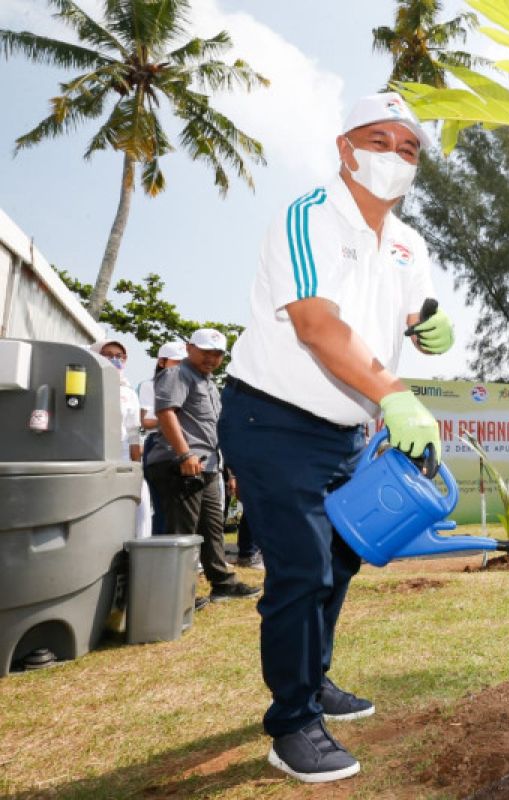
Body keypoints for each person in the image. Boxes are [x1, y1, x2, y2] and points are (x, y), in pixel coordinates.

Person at [217, 92, 454, 783]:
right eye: (378, 141)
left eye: (408, 148)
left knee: (340, 565)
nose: (394, 158)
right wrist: (396, 395)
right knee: (300, 570)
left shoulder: (411, 243)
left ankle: (313, 680)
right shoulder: (310, 217)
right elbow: (318, 326)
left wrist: (430, 332)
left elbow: (417, 317)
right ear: (345, 148)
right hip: (274, 418)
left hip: (348, 432)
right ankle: (291, 724)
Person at [144, 329, 260, 599]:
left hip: (207, 466)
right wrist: (184, 454)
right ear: (189, 348)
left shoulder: (208, 382)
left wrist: (230, 470)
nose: (212, 358)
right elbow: (165, 413)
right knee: (181, 532)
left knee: (212, 528)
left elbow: (215, 429)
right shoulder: (177, 374)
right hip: (180, 465)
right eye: (206, 351)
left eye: (218, 353)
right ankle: (176, 596)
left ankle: (223, 583)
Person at [95, 338, 151, 539]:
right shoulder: (89, 385)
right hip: (96, 455)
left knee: (141, 502)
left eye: (119, 356)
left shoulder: (128, 392)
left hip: (124, 454)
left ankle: (140, 548)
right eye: (108, 355)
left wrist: (136, 464)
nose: (115, 360)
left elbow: (133, 430)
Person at [138, 341, 186, 536]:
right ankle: (160, 551)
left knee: (185, 506)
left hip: (184, 445)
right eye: (177, 362)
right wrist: (169, 417)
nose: (181, 367)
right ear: (162, 362)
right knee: (163, 506)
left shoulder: (190, 384)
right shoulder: (149, 385)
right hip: (159, 445)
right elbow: (146, 422)